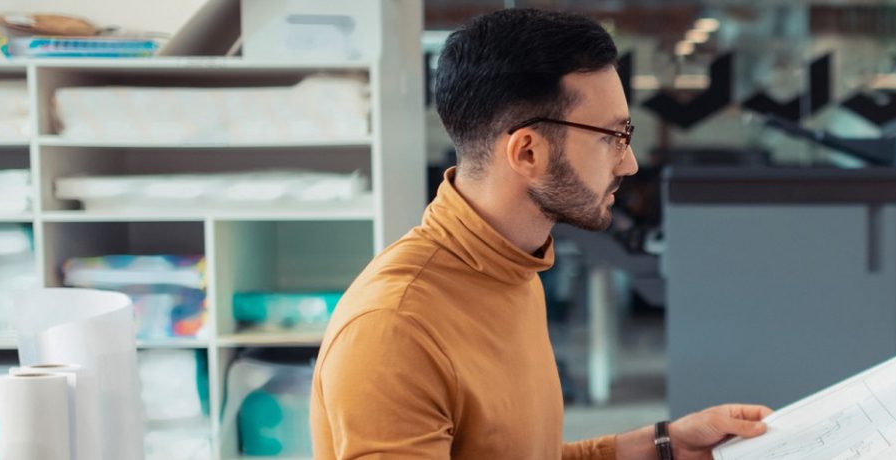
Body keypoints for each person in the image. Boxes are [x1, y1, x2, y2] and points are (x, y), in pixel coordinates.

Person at [311, 9, 772, 460]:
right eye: (612, 137)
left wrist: (665, 444)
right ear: (528, 151)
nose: (628, 163)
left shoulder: (514, 268)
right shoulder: (395, 328)